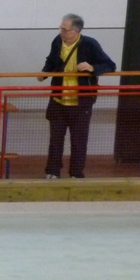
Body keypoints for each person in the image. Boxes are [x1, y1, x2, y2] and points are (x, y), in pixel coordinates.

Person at [38, 13, 116, 179]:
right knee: (55, 140)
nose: (61, 32)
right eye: (61, 28)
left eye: (65, 30)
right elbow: (51, 61)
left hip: (81, 103)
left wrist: (92, 68)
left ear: (76, 31)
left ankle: (76, 173)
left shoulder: (90, 44)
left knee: (79, 141)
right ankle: (52, 171)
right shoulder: (57, 41)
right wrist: (44, 73)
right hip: (58, 100)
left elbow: (110, 65)